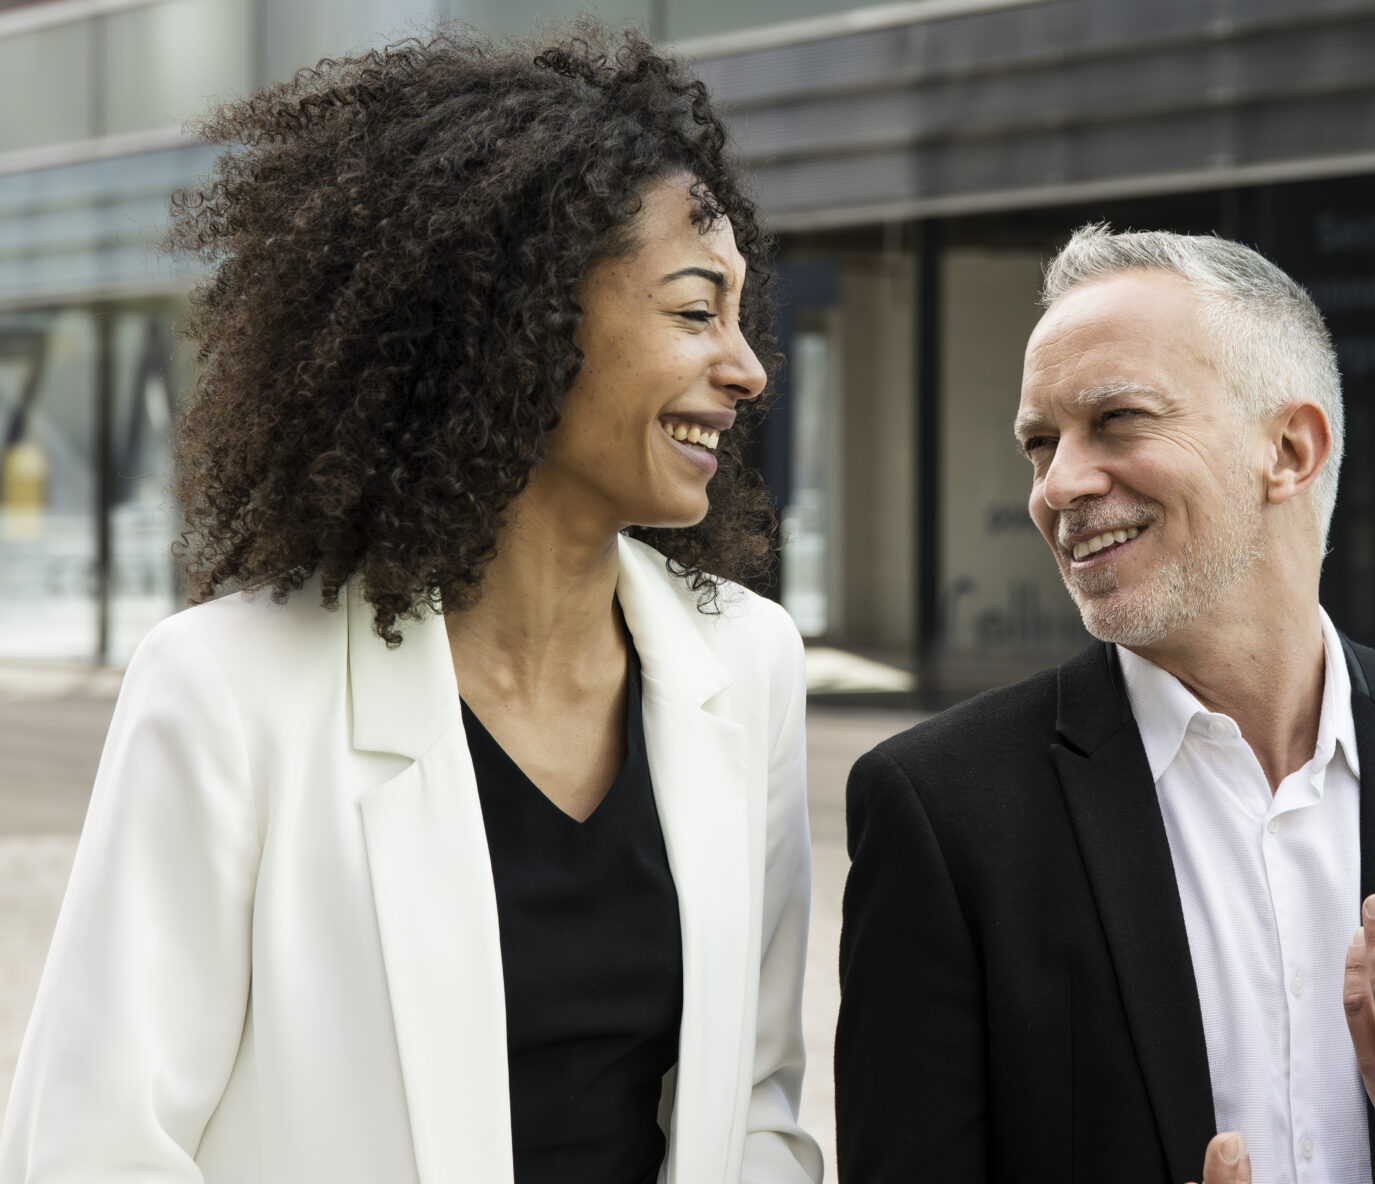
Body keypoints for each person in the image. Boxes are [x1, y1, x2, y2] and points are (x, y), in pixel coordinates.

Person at [0, 28, 822, 1184]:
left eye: (742, 315)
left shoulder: (750, 663)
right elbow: (92, 1147)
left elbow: (753, 1108)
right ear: (524, 319)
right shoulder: (231, 690)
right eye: (696, 311)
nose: (747, 367)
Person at [834, 225, 1375, 1184]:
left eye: (1117, 419)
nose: (1057, 484)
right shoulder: (941, 810)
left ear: (1289, 448)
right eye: (1041, 442)